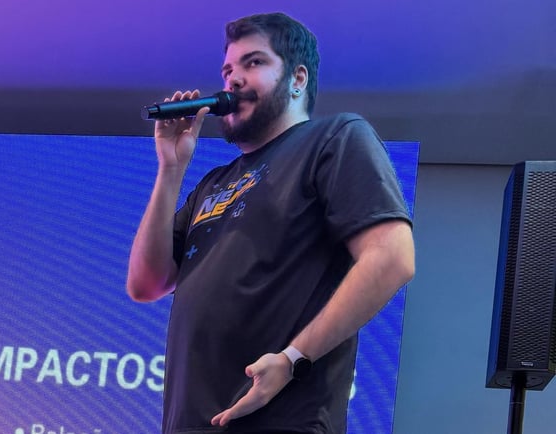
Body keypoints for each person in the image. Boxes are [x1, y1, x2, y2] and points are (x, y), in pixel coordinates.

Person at [126, 12, 415, 434]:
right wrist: (170, 169)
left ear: (297, 79)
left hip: (281, 421)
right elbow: (145, 283)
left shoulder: (335, 138)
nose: (233, 80)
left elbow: (392, 258)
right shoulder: (214, 183)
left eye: (254, 62)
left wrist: (292, 359)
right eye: (227, 70)